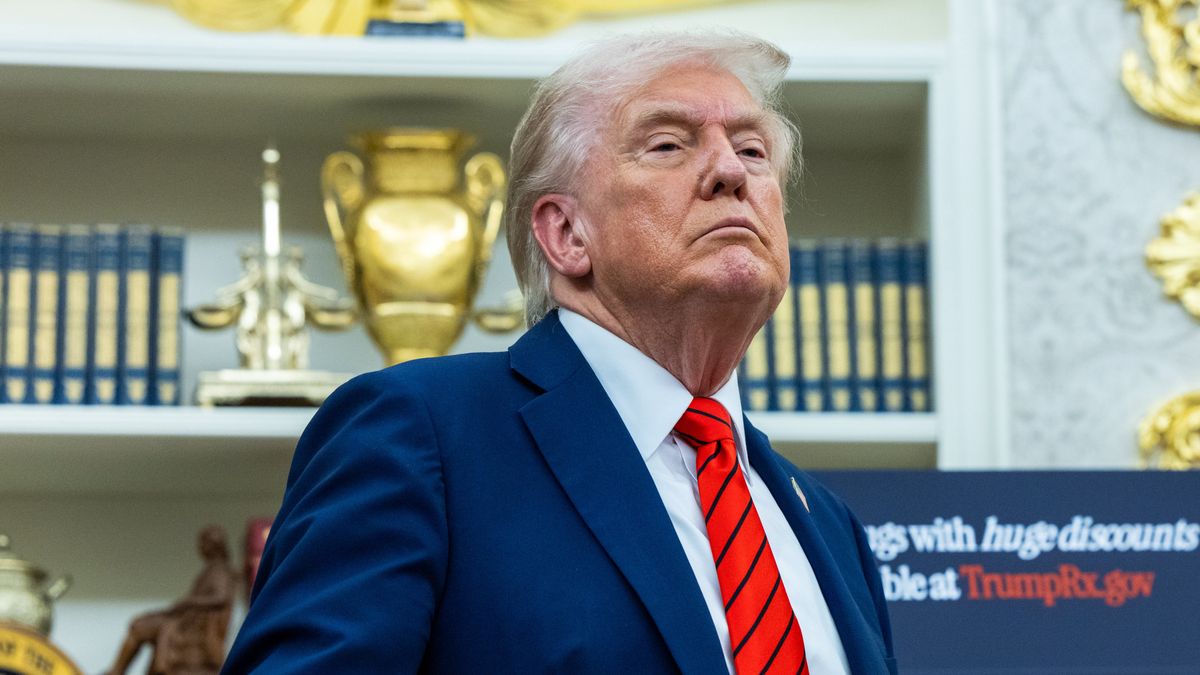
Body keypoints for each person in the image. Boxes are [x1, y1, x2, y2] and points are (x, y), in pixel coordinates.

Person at [223, 31, 896, 675]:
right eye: (667, 144)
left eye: (752, 151)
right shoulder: (416, 434)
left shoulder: (832, 526)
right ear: (568, 233)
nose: (729, 171)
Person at [106, 525, 235, 675]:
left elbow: (221, 597)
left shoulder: (220, 570)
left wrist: (189, 602)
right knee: (139, 624)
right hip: (184, 619)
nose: (200, 547)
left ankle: (116, 672)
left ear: (213, 545)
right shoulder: (211, 569)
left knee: (139, 627)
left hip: (190, 625)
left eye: (203, 543)